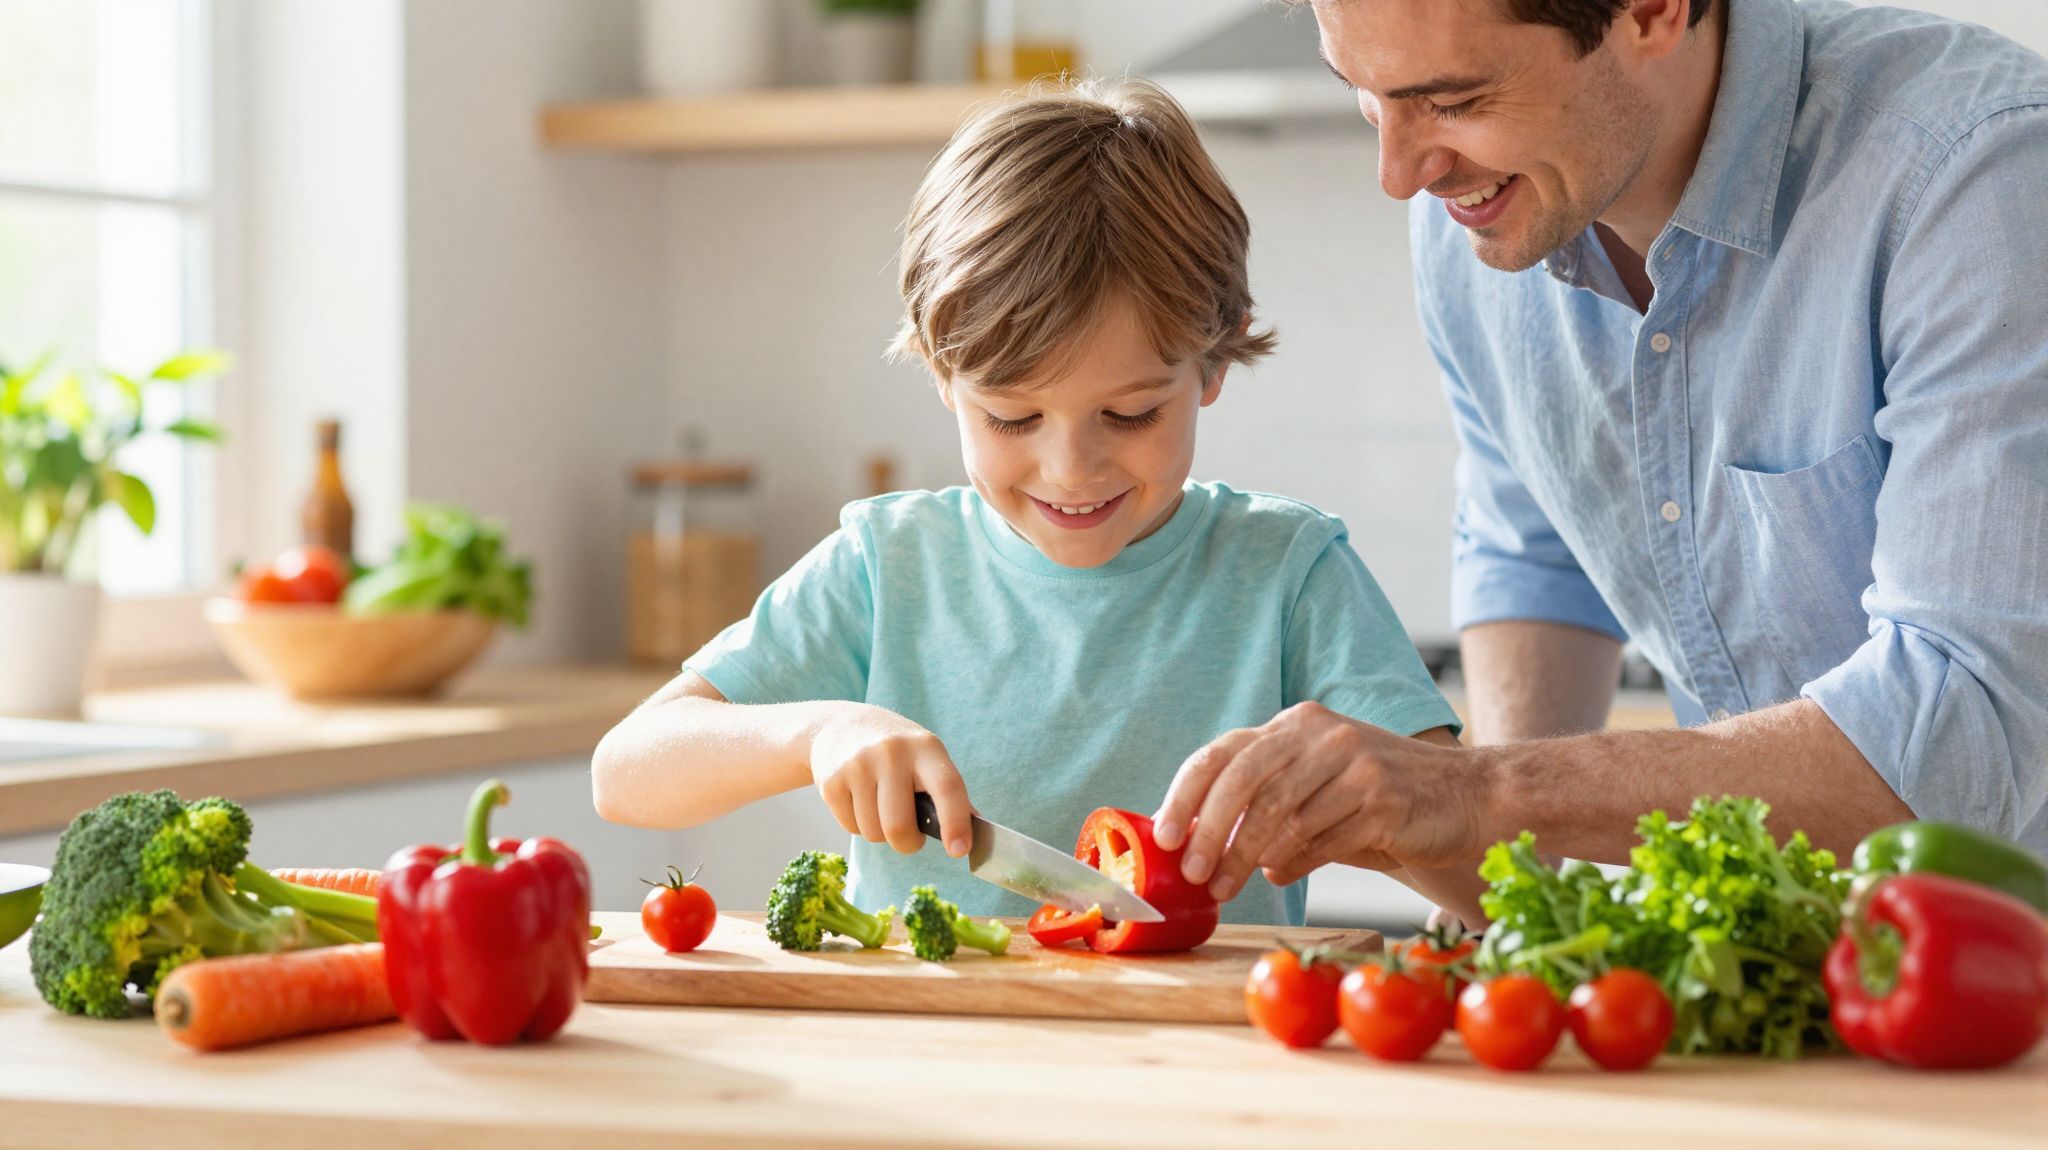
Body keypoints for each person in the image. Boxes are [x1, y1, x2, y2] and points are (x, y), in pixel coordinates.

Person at [1151, 0, 2048, 924]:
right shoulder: (1484, 216)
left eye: (1453, 101)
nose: (1400, 175)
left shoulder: (1982, 181)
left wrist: (1479, 796)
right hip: (1798, 958)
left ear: (1653, 12)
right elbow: (1535, 551)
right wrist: (1513, 905)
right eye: (1369, 99)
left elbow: (1966, 728)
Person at [592, 78, 1464, 923]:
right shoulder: (887, 567)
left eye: (1129, 414)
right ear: (943, 379)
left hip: (1207, 1061)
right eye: (1012, 418)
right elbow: (624, 772)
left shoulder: (1289, 574)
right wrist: (815, 733)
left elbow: (1484, 879)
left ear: (1215, 364)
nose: (1070, 467)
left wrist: (1368, 816)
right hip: (924, 1062)